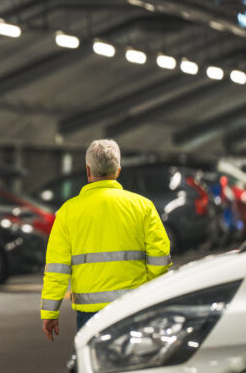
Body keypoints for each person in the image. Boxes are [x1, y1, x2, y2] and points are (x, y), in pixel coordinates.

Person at [40, 139, 171, 340]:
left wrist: (50, 312)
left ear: (88, 170)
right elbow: (159, 258)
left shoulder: (67, 213)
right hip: (133, 305)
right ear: (118, 171)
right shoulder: (143, 207)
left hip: (89, 312)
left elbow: (57, 269)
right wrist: (151, 296)